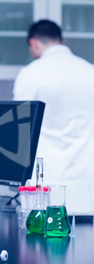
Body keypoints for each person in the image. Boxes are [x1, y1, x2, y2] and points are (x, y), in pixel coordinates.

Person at [13, 20, 94, 212]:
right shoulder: (90, 72)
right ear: (61, 41)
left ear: (33, 43)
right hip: (88, 189)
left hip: (47, 189)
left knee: (42, 241)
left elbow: (18, 131)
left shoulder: (32, 73)